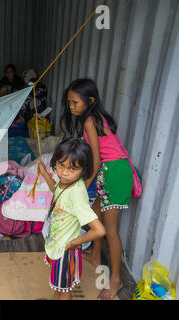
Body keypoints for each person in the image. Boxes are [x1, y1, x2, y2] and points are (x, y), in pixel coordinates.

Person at [59, 78, 134, 300]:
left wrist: (82, 187)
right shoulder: (94, 117)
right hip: (109, 172)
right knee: (95, 215)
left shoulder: (90, 120)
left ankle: (116, 280)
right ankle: (96, 257)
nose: (71, 107)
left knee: (110, 230)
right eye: (69, 103)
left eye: (74, 103)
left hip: (114, 175)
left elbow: (98, 160)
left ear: (90, 101)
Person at [38, 138, 106, 300]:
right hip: (56, 245)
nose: (64, 172)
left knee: (65, 290)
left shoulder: (77, 193)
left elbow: (99, 230)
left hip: (65, 250)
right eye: (61, 165)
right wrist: (45, 174)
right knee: (58, 285)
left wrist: (74, 243)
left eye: (73, 168)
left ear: (84, 170)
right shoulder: (65, 183)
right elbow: (56, 190)